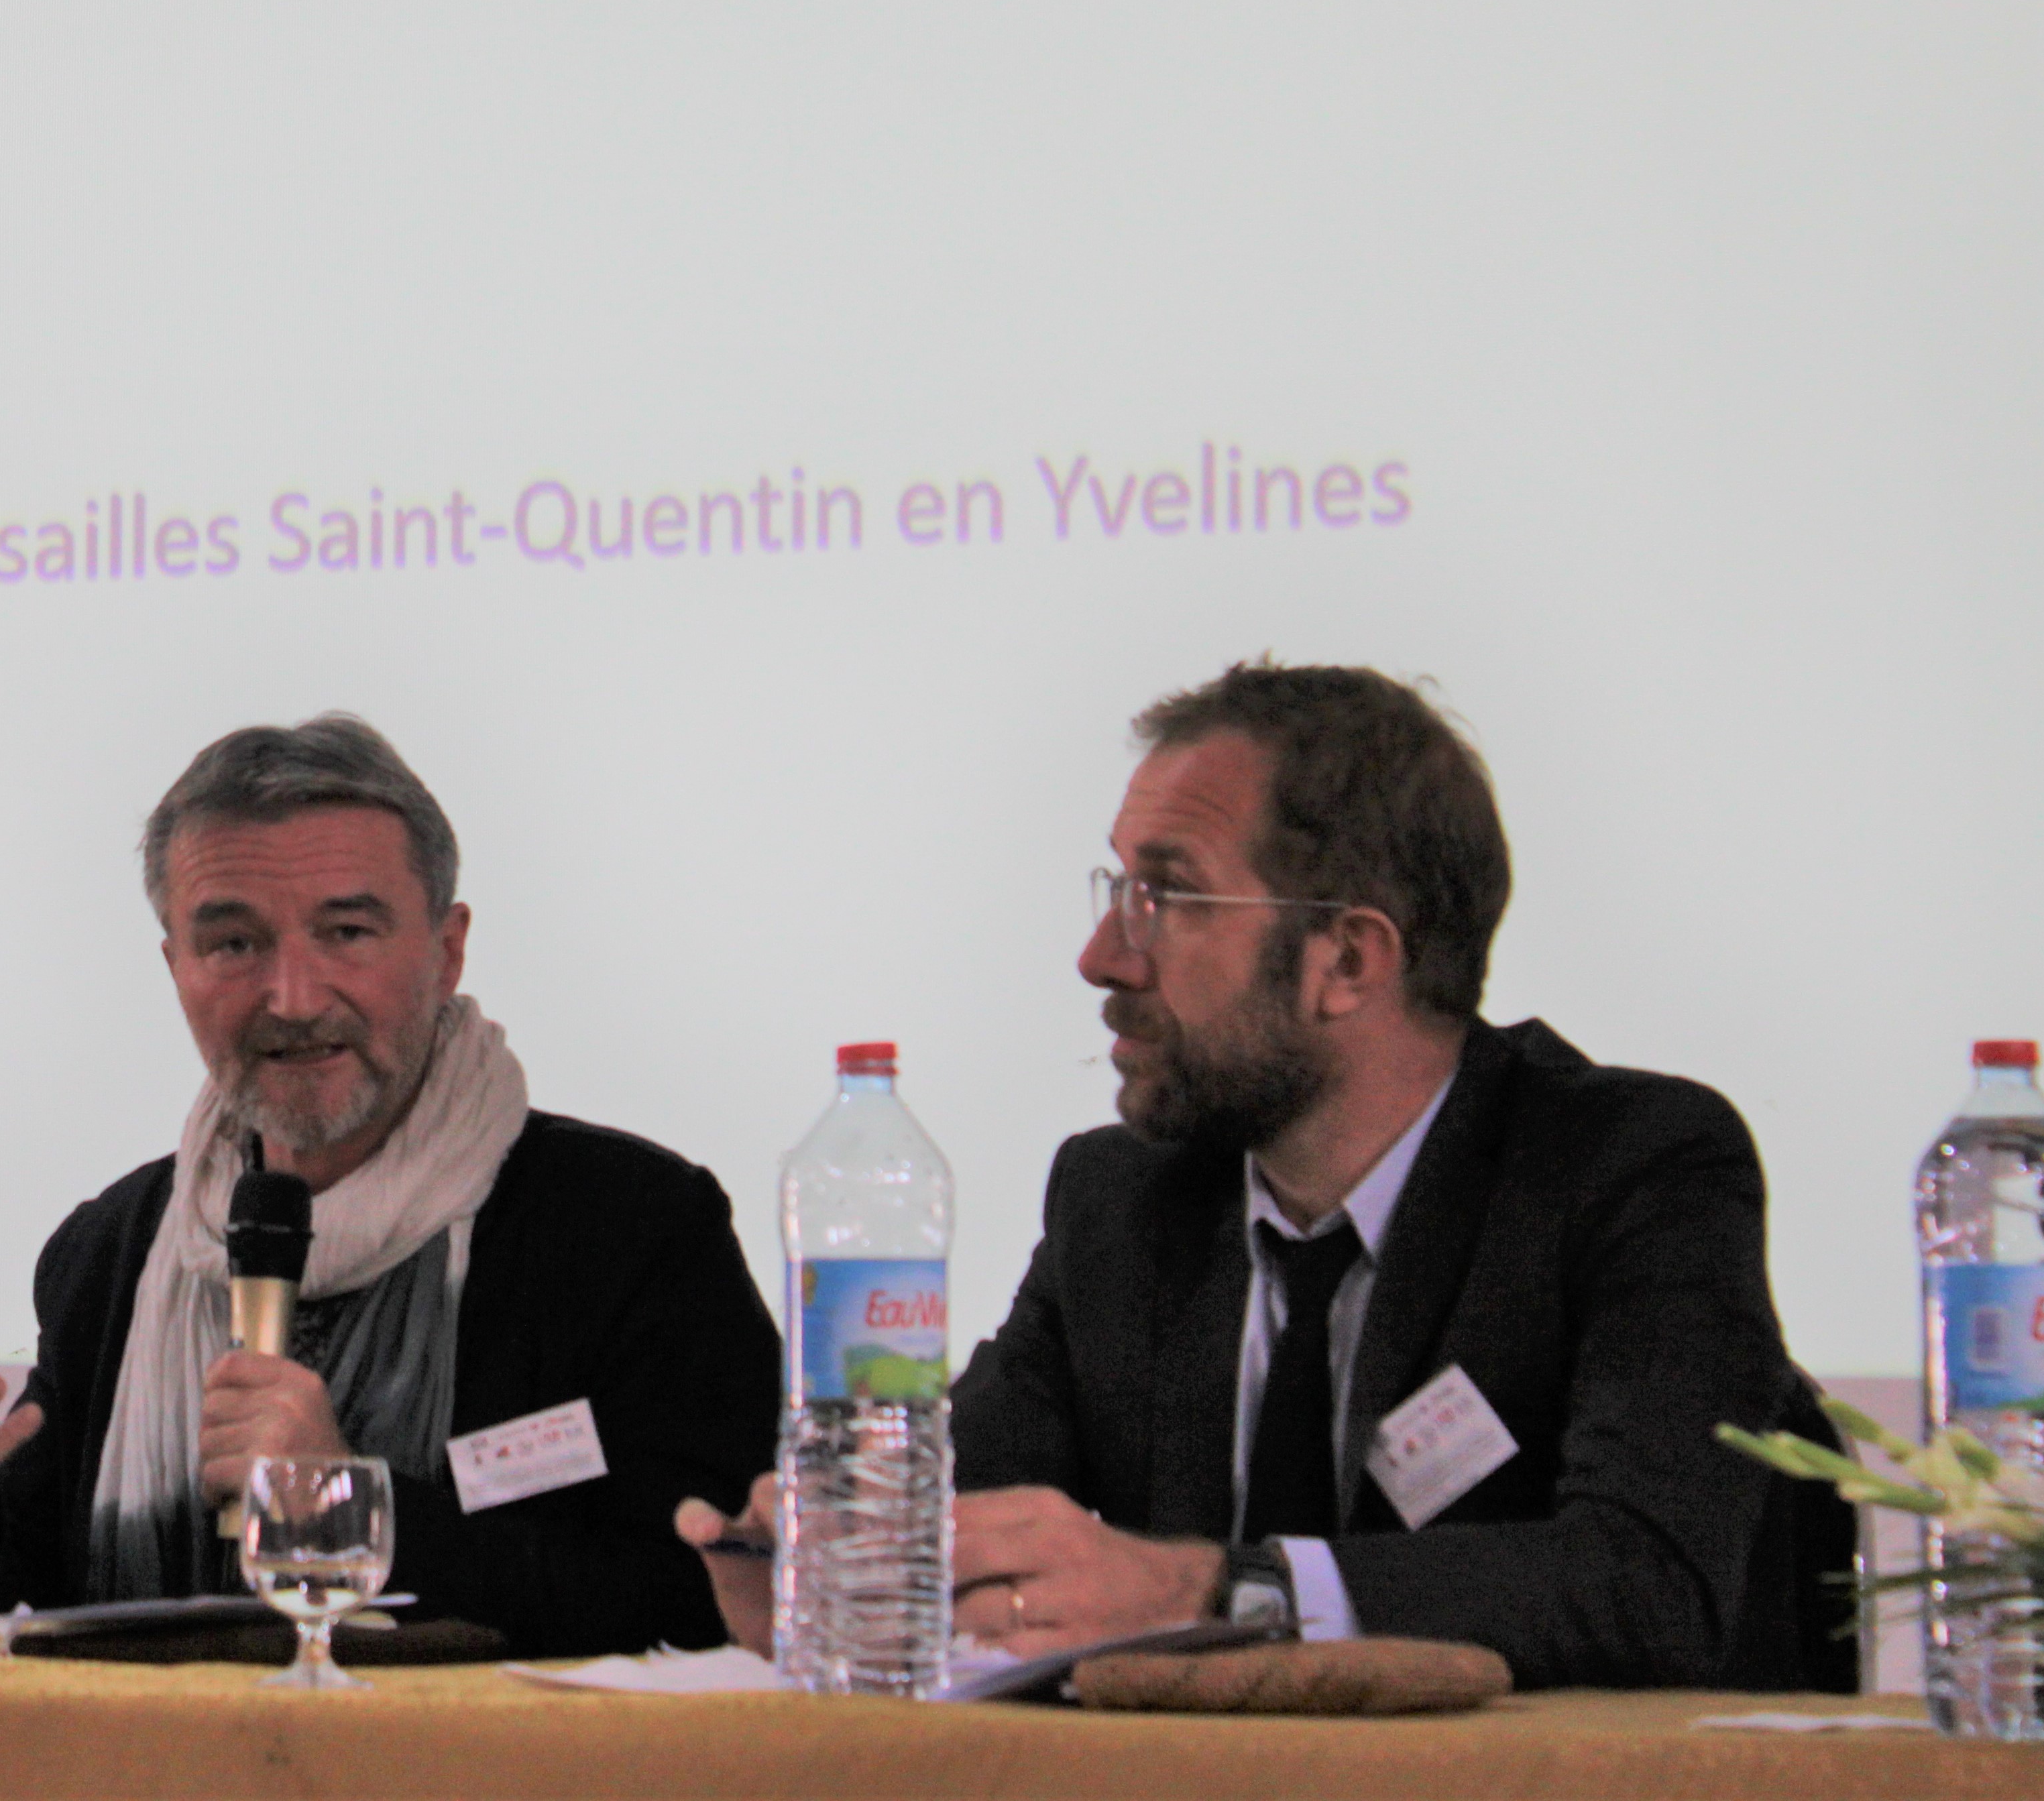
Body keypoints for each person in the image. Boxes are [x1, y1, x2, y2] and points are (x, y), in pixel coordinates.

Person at [684, 662, 1855, 1689]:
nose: (1103, 956)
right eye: (1116, 890)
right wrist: (838, 1570)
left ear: (1347, 960)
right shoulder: (1120, 1201)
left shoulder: (1632, 1167)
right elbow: (972, 1501)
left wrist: (1216, 1592)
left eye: (1168, 895)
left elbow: (1647, 1582)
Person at [0, 713, 780, 1658]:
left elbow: (717, 1596)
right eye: (233, 944)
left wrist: (356, 1512)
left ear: (447, 950)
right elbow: (30, 1610)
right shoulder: (108, 1255)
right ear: (174, 966)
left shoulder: (631, 1230)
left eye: (347, 932)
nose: (294, 997)